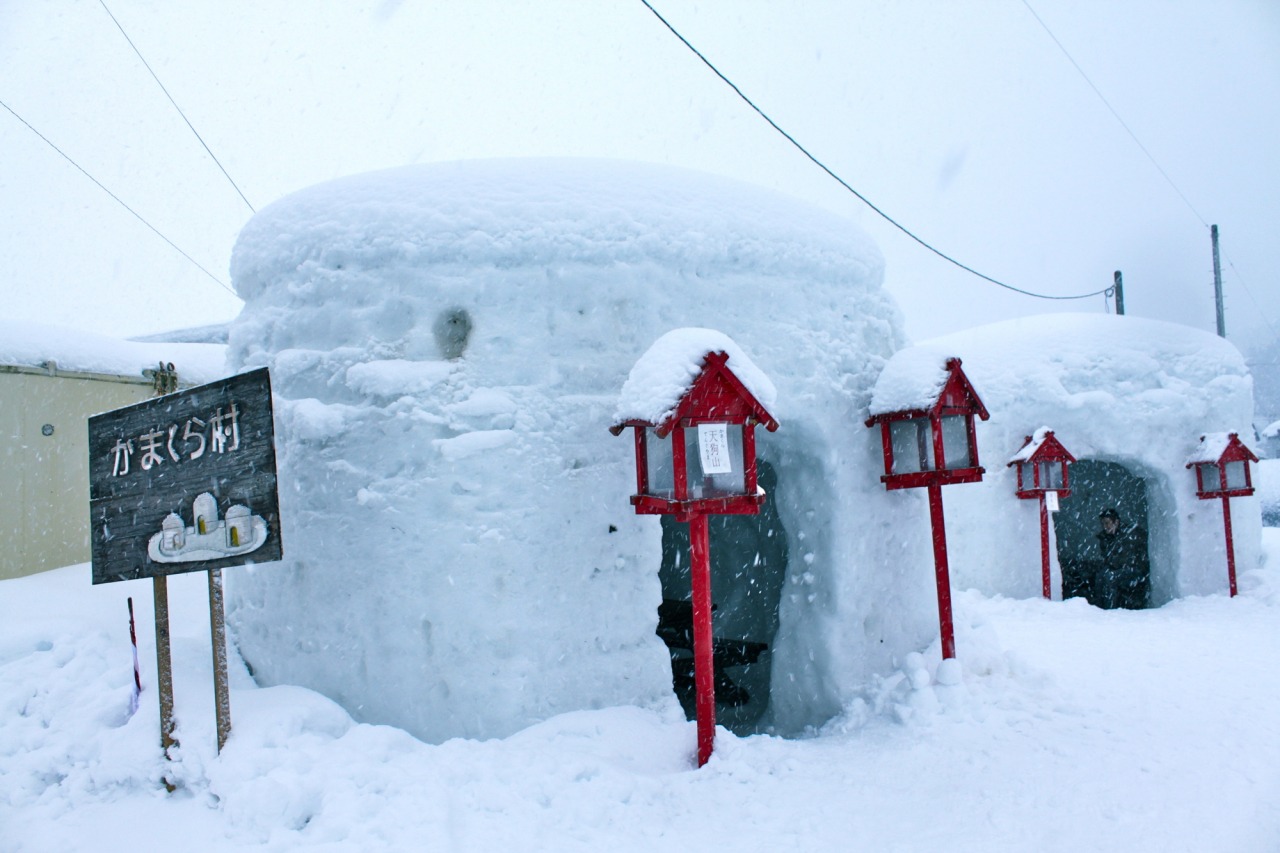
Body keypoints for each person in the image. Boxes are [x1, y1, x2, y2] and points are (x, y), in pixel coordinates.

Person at [1095, 508, 1150, 609]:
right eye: (1103, 523)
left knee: (1110, 577)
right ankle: (1099, 609)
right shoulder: (1106, 537)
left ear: (1116, 522)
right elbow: (1108, 558)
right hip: (1119, 569)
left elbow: (1124, 559)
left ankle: (1110, 610)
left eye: (1107, 523)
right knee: (1100, 576)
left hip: (1135, 570)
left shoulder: (1129, 534)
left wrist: (1111, 565)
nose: (1105, 527)